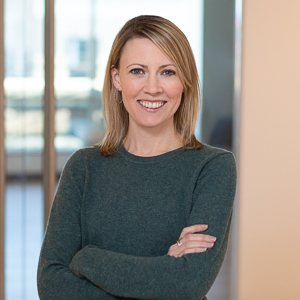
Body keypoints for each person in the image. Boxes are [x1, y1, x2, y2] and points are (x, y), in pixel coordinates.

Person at [37, 15, 236, 300]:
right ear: (117, 78)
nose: (153, 88)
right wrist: (163, 270)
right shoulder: (83, 167)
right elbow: (51, 284)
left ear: (185, 81)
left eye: (168, 72)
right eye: (138, 71)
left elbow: (188, 284)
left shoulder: (213, 167)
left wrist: (86, 260)